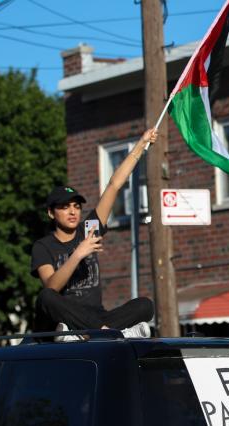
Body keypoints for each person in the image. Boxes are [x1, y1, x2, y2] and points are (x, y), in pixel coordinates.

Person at [32, 129, 158, 338]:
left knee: (145, 305)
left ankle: (91, 333)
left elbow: (114, 185)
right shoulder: (43, 246)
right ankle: (108, 332)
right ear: (51, 213)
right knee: (45, 297)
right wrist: (78, 254)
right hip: (62, 317)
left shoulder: (88, 229)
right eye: (64, 207)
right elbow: (52, 286)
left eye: (76, 206)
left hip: (97, 318)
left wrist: (140, 144)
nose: (72, 211)